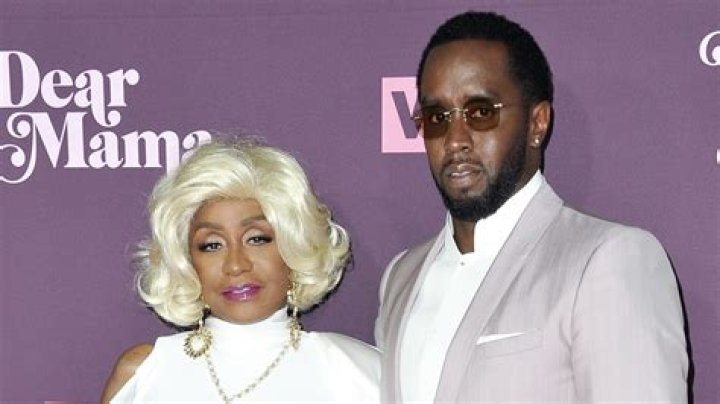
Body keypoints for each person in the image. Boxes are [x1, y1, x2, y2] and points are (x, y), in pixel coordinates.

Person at [374, 10, 688, 403]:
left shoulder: (607, 260)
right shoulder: (400, 277)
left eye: (481, 112)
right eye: (437, 117)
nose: (455, 140)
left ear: (537, 123)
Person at [101, 138, 379, 403]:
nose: (236, 265)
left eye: (257, 239)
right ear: (186, 262)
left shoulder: (352, 370)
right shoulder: (143, 374)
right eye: (212, 245)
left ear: (295, 247)